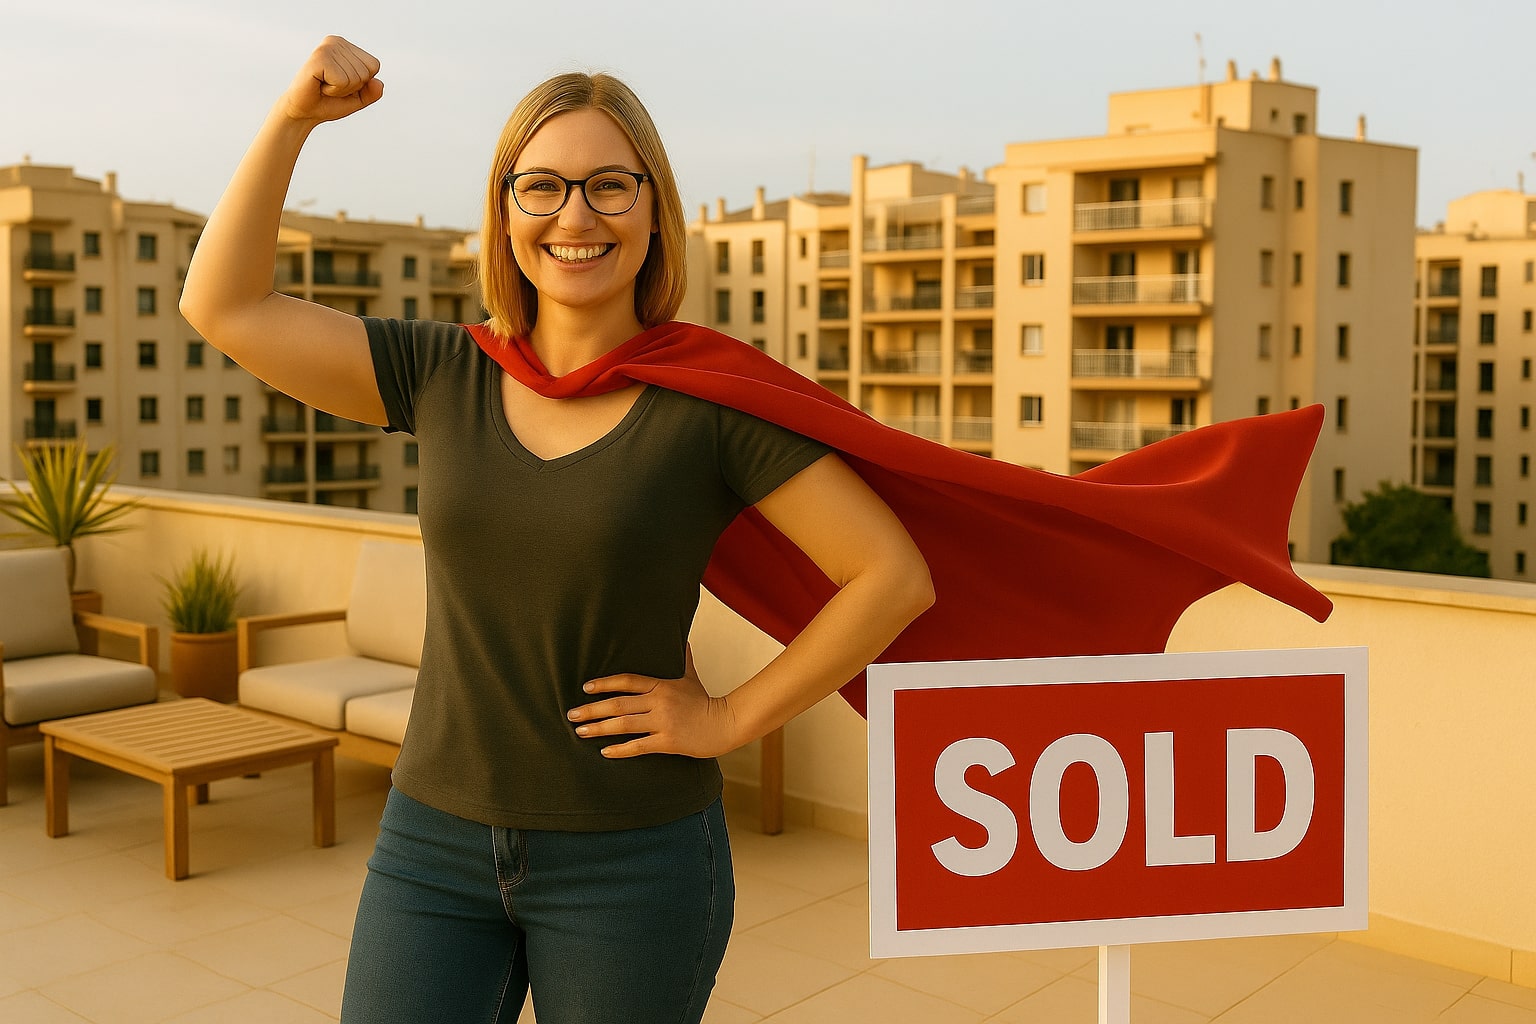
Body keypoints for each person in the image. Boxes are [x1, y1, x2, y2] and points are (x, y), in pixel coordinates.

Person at [180, 35, 935, 1024]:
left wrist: (727, 718)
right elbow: (222, 303)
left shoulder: (710, 403)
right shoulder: (443, 371)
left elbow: (890, 574)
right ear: (504, 213)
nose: (575, 215)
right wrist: (292, 121)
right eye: (541, 187)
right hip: (432, 845)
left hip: (632, 857)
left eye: (610, 185)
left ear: (653, 209)